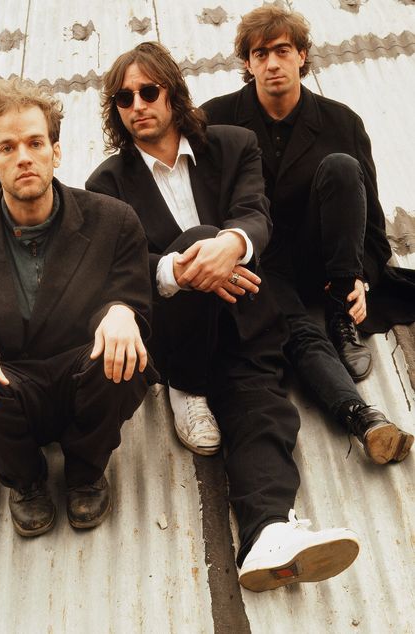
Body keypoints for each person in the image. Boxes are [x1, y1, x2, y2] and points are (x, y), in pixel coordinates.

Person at [86, 41, 359, 592]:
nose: (137, 105)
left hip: (244, 321)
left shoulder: (233, 145)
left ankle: (267, 533)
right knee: (199, 236)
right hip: (175, 333)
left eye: (148, 91)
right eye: (123, 98)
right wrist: (186, 269)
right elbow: (120, 268)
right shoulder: (105, 186)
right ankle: (184, 387)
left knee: (265, 413)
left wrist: (231, 245)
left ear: (173, 91)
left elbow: (254, 212)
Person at [0, 78, 156, 537]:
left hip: (83, 373)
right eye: (7, 148)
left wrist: (121, 311)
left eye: (35, 143)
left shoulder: (113, 221)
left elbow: (131, 293)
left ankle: (86, 472)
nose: (24, 157)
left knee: (127, 357)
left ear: (56, 151)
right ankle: (26, 481)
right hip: (12, 384)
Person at [202, 5, 414, 465]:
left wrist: (361, 278)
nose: (272, 63)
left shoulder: (342, 122)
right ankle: (366, 421)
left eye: (282, 50)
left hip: (326, 258)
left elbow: (372, 227)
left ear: (302, 55)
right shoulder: (216, 120)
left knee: (340, 167)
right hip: (261, 262)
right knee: (295, 334)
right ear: (247, 63)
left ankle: (341, 315)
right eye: (261, 54)